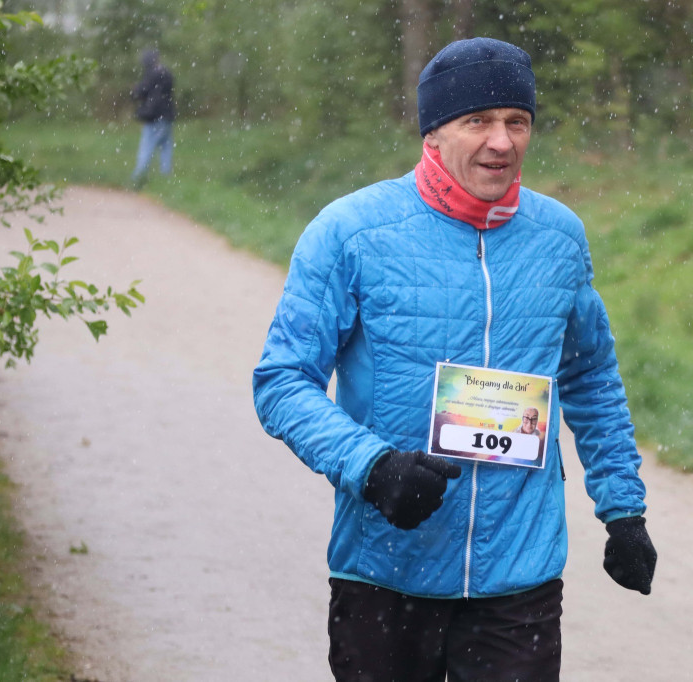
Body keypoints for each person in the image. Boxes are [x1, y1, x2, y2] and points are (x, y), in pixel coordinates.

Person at [252, 37, 657, 682]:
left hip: (518, 581)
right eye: (479, 121)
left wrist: (623, 510)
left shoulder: (559, 239)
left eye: (517, 122)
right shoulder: (351, 232)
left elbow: (590, 377)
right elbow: (281, 382)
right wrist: (372, 465)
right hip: (387, 570)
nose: (502, 141)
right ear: (434, 133)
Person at [130, 48, 175, 187]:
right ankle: (165, 177)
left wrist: (135, 90)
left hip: (154, 116)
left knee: (147, 146)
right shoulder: (166, 73)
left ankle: (138, 177)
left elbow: (140, 92)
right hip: (167, 115)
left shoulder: (152, 75)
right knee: (166, 147)